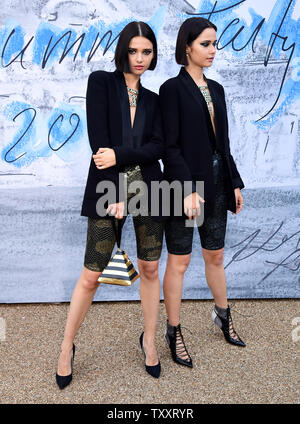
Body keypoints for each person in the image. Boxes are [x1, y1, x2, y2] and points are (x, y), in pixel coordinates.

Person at [56, 21, 165, 388]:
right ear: (123, 50)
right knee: (91, 274)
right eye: (133, 50)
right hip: (108, 188)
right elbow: (98, 142)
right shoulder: (100, 82)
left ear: (153, 54)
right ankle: (66, 346)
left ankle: (149, 339)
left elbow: (156, 149)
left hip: (150, 188)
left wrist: (121, 153)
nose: (139, 58)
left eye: (146, 51)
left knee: (150, 269)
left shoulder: (155, 99)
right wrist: (117, 186)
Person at [159, 17, 246, 368]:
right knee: (179, 261)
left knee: (216, 255)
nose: (213, 50)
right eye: (205, 44)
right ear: (187, 48)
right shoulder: (171, 89)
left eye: (214, 44)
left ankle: (223, 316)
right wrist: (184, 189)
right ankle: (173, 330)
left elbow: (223, 144)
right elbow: (169, 146)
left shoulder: (218, 89)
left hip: (218, 181)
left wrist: (235, 181)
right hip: (184, 187)